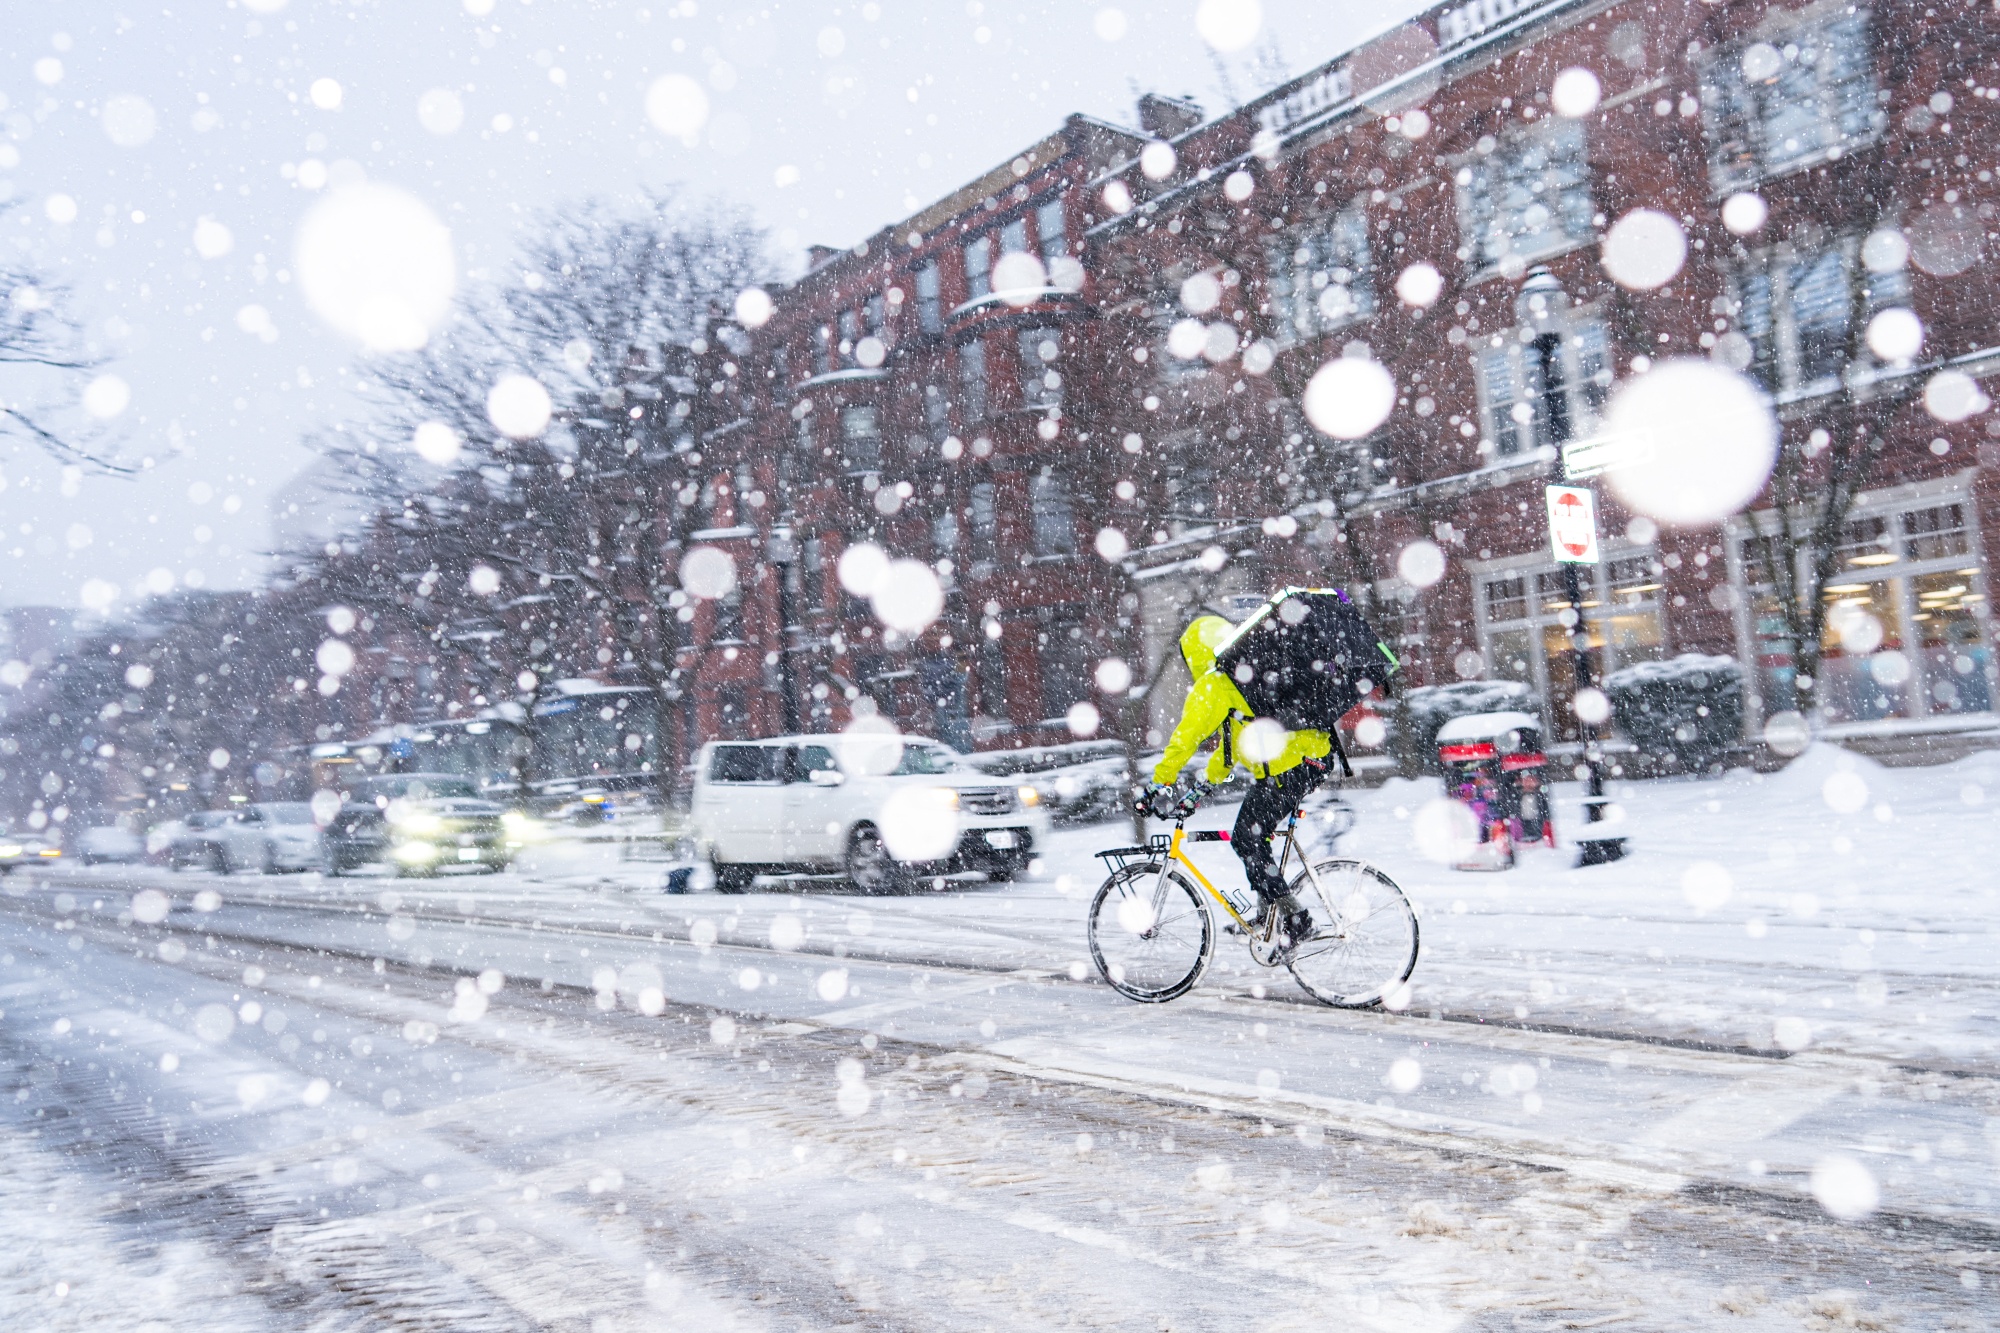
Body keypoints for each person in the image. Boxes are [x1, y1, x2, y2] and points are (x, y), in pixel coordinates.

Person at [1142, 614, 1334, 948]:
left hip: (1287, 769)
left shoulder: (1215, 683)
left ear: (1194, 654)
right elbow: (1230, 749)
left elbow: (1185, 740)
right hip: (1311, 759)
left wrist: (1159, 783)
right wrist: (1202, 787)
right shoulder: (1246, 676)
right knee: (1257, 838)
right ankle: (1268, 914)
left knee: (1246, 840)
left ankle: (1296, 917)